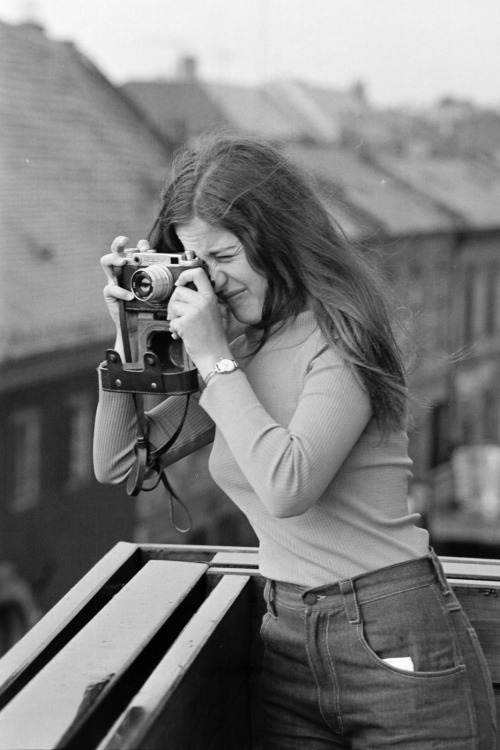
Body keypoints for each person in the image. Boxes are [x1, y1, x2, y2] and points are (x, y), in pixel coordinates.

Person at [94, 133, 496, 749]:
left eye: (224, 256)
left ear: (276, 237)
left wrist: (211, 359)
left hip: (391, 630)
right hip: (285, 634)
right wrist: (130, 340)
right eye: (194, 261)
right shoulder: (239, 352)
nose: (212, 282)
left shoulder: (341, 333)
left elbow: (289, 486)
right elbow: (121, 465)